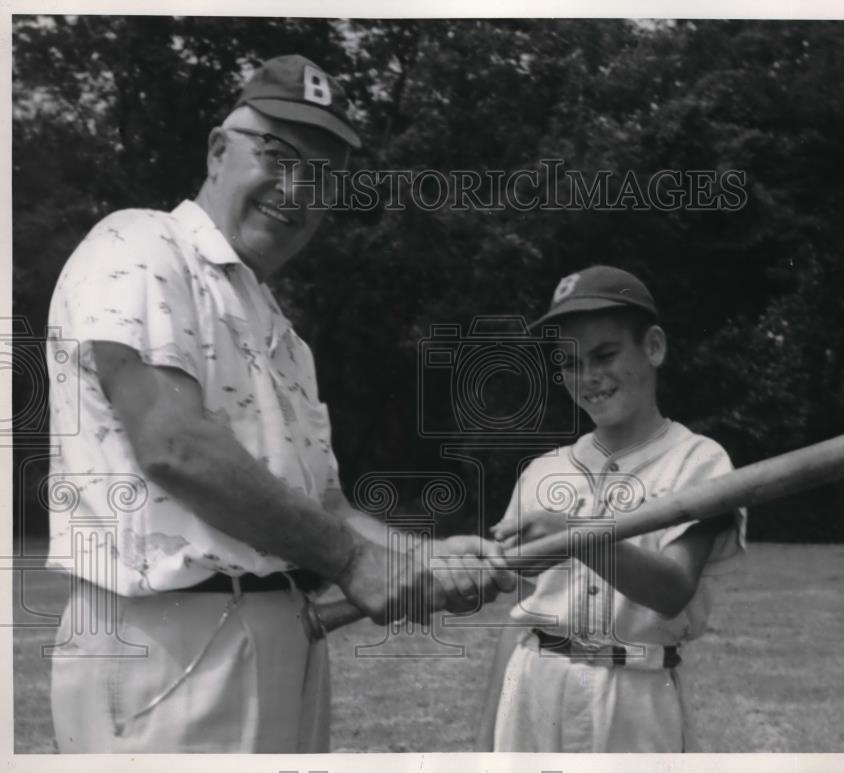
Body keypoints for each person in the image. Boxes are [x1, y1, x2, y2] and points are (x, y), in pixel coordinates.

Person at [45, 53, 514, 753]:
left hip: (282, 632)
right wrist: (357, 562)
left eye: (322, 175)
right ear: (217, 150)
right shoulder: (139, 244)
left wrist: (425, 556)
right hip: (168, 643)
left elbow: (326, 508)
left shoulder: (284, 336)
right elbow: (173, 444)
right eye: (276, 154)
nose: (297, 188)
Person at [475, 265, 747, 752]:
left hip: (635, 693)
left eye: (604, 354)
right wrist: (483, 746)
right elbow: (520, 619)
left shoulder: (699, 462)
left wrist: (575, 532)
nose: (587, 377)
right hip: (534, 683)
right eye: (569, 363)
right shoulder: (543, 472)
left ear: (655, 347)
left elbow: (672, 590)